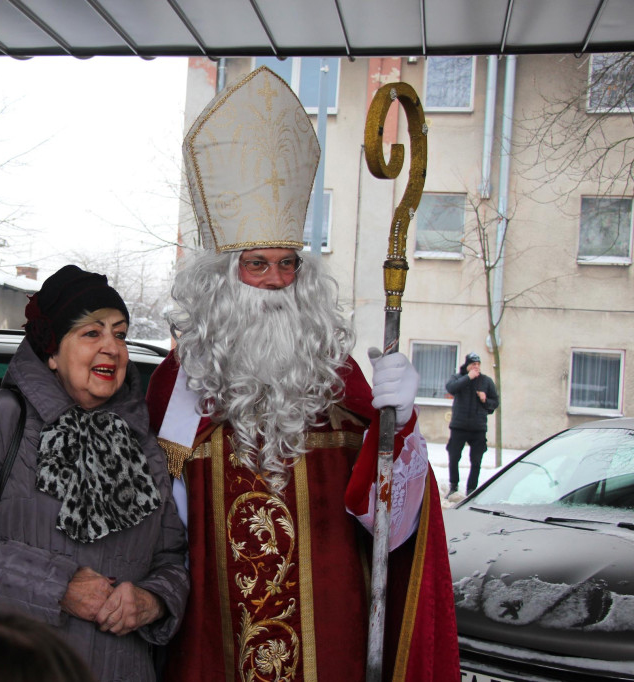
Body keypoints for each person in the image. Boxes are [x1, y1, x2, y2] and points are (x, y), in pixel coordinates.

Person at [147, 67, 459, 681]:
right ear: (221, 280)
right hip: (216, 648)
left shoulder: (337, 375)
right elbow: (154, 531)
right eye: (256, 263)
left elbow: (390, 533)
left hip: (333, 649)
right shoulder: (178, 385)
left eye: (287, 263)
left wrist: (398, 428)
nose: (273, 281)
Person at [0, 265, 189, 682]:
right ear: (50, 351)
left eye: (120, 333)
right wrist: (60, 585)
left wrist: (153, 602)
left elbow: (172, 559)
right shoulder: (1, 417)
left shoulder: (143, 444)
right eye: (91, 333)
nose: (113, 348)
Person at [445, 351, 500, 495]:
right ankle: (453, 485)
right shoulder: (459, 378)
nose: (476, 367)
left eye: (478, 364)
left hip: (478, 428)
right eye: (473, 364)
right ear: (467, 366)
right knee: (454, 456)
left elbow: (495, 403)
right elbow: (451, 388)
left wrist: (485, 400)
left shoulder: (486, 381)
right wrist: (468, 378)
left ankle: (471, 489)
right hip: (459, 426)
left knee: (476, 461)